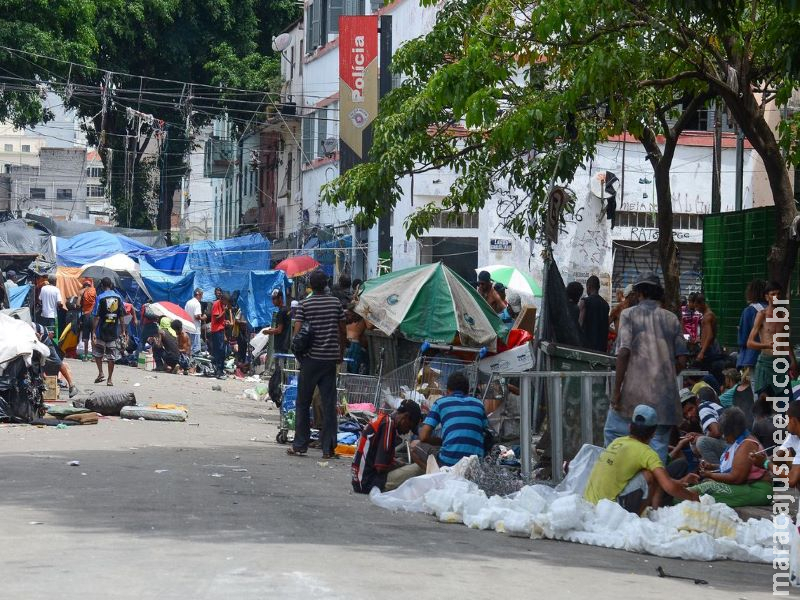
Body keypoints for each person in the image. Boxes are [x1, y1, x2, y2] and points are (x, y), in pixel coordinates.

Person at [608, 273, 688, 464]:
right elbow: (682, 360)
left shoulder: (629, 314)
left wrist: (616, 391)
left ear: (640, 292)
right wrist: (666, 376)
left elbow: (624, 352)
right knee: (657, 450)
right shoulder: (672, 319)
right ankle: (654, 490)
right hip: (665, 399)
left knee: (614, 435)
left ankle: (622, 486)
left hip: (634, 396)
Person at [585, 404, 699, 513]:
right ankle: (640, 516)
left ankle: (655, 510)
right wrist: (691, 496)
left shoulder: (617, 442)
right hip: (610, 510)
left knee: (652, 472)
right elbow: (668, 485)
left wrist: (679, 482)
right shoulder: (646, 452)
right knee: (651, 474)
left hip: (590, 504)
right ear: (653, 433)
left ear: (630, 427)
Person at [288, 269, 346, 459]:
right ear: (327, 283)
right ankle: (328, 449)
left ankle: (300, 445)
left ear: (311, 286)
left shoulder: (305, 304)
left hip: (310, 360)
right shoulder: (336, 303)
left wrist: (299, 355)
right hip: (329, 360)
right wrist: (340, 353)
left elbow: (297, 333)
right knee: (329, 405)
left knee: (303, 403)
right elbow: (342, 331)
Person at [690, 407, 771, 507]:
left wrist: (710, 475)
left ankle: (675, 496)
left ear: (733, 432)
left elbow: (736, 478)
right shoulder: (739, 442)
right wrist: (711, 466)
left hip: (758, 489)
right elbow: (735, 467)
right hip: (749, 487)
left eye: (724, 434)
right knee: (703, 488)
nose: (723, 437)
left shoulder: (747, 444)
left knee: (706, 489)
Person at [410, 371, 488, 468]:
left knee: (414, 445)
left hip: (448, 462)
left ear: (447, 391)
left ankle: (438, 475)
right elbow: (485, 430)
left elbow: (424, 436)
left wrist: (440, 441)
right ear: (468, 391)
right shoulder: (479, 404)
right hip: (476, 464)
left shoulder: (440, 403)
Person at [351, 400, 423, 493]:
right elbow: (381, 467)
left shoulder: (382, 419)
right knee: (419, 468)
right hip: (369, 483)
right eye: (409, 427)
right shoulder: (388, 425)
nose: (407, 431)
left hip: (359, 481)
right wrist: (401, 466)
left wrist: (399, 464)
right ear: (405, 417)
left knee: (401, 462)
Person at [748, 280, 798, 398]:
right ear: (767, 297)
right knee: (764, 405)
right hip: (765, 363)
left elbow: (785, 340)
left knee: (785, 404)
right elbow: (749, 342)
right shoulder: (762, 315)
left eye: (778, 294)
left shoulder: (784, 315)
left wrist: (793, 361)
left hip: (781, 363)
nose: (776, 297)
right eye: (773, 294)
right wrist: (766, 345)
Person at [678, 387, 726, 464]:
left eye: (690, 409)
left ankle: (718, 470)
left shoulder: (703, 409)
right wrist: (698, 435)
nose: (689, 415)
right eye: (685, 414)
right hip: (729, 444)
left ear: (697, 402)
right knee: (695, 442)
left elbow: (716, 432)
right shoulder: (705, 407)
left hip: (732, 445)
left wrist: (699, 437)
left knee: (700, 442)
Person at [91, 277, 124, 386]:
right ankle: (109, 379)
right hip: (113, 332)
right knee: (111, 357)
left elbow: (96, 317)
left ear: (102, 285)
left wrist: (93, 332)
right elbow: (122, 316)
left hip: (101, 331)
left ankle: (101, 372)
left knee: (98, 353)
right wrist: (123, 331)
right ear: (111, 285)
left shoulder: (100, 297)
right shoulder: (118, 297)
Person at [33, 323, 80, 398]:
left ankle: (72, 386)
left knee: (56, 362)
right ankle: (41, 386)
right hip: (34, 341)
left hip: (43, 339)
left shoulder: (28, 327)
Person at [766, 400, 800, 489]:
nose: (785, 422)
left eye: (787, 418)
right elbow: (776, 457)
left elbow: (792, 480)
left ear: (794, 420)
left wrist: (765, 463)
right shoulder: (794, 435)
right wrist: (759, 459)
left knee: (794, 472)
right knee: (787, 453)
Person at [736, 279, 766, 378]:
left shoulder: (749, 310)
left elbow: (743, 340)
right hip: (773, 355)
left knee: (757, 389)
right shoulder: (773, 309)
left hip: (754, 356)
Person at [694, 293, 725, 385]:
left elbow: (710, 335)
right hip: (707, 349)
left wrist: (702, 352)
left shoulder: (708, 316)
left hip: (708, 351)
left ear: (702, 303)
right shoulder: (706, 315)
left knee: (706, 375)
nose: (696, 309)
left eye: (697, 306)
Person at [579, 275, 610, 353]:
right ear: (598, 287)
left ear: (589, 287)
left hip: (586, 348)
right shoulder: (605, 304)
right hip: (601, 349)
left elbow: (580, 324)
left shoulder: (584, 302)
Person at [262, 289, 291, 354]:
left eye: (274, 299)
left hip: (281, 345)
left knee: (280, 364)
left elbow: (279, 330)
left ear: (280, 298)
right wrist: (272, 329)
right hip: (285, 344)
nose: (273, 301)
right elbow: (283, 328)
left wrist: (267, 332)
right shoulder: (286, 309)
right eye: (272, 299)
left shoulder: (281, 312)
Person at [209, 292, 230, 379]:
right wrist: (224, 311)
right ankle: (218, 371)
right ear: (223, 299)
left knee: (222, 351)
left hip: (220, 330)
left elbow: (220, 320)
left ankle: (220, 370)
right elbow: (216, 318)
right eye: (226, 301)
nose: (226, 303)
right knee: (219, 351)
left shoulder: (221, 305)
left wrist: (225, 322)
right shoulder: (217, 304)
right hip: (216, 330)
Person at [344, 303, 368, 374]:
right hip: (355, 344)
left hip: (347, 343)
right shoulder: (360, 318)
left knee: (346, 369)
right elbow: (369, 326)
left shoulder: (346, 316)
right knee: (354, 369)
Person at [78, 280, 97, 361]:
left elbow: (78, 304)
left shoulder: (81, 292)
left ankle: (85, 356)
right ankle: (93, 356)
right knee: (93, 335)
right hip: (93, 315)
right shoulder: (94, 291)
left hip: (86, 315)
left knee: (85, 337)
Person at [184, 288, 205, 355]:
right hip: (195, 329)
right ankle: (194, 364)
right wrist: (203, 317)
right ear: (199, 295)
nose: (202, 297)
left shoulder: (188, 302)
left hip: (188, 328)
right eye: (202, 295)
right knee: (196, 348)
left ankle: (189, 362)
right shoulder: (197, 303)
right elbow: (197, 316)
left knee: (189, 347)